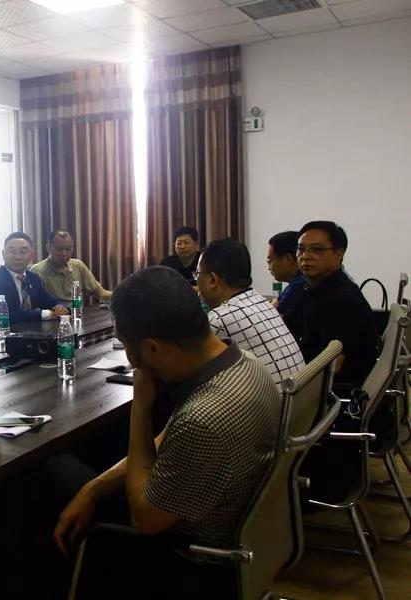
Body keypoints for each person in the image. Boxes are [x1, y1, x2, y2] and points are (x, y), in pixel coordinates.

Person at [51, 266, 280, 597]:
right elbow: (167, 440)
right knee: (87, 465)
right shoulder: (243, 363)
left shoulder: (203, 418)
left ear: (152, 349)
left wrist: (141, 408)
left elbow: (145, 520)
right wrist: (94, 489)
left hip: (195, 563)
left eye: (126, 345)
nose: (130, 359)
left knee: (53, 471)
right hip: (243, 538)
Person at [196, 238, 304, 390]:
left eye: (197, 273)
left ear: (213, 280)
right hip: (298, 398)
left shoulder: (219, 319)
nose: (196, 279)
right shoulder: (261, 301)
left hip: (273, 403)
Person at [284, 221, 378, 391]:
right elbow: (286, 327)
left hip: (331, 393)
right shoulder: (312, 289)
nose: (306, 256)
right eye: (301, 249)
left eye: (317, 250)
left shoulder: (343, 299)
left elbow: (333, 366)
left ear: (338, 255)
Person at [0, 232, 68, 323]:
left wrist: (58, 307)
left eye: (23, 252)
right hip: (8, 331)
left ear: (31, 255)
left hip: (34, 330)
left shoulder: (33, 278)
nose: (17, 257)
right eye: (12, 251)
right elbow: (1, 315)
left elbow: (47, 300)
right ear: (3, 254)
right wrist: (42, 314)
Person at [30, 229, 112, 304]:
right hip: (53, 313)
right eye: (59, 249)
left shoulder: (78, 265)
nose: (64, 253)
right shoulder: (37, 271)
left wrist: (118, 295)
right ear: (48, 248)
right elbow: (35, 303)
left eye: (68, 249)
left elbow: (101, 292)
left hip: (77, 312)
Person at [267, 230, 307, 318]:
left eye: (270, 261)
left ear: (288, 259)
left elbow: (271, 316)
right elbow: (274, 306)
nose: (269, 268)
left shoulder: (300, 284)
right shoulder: (296, 282)